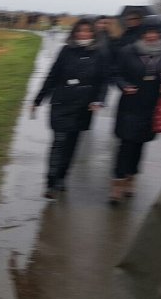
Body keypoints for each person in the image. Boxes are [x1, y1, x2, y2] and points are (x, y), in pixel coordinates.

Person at [31, 18, 109, 198]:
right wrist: (38, 99)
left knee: (71, 145)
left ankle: (62, 177)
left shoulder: (99, 54)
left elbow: (103, 81)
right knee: (59, 142)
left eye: (87, 31)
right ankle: (51, 183)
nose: (83, 34)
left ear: (93, 33)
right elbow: (52, 76)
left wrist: (99, 100)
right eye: (80, 31)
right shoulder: (66, 51)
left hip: (84, 107)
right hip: (62, 104)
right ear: (74, 33)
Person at [110, 15, 161, 204]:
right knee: (126, 144)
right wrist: (124, 85)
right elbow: (115, 73)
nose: (151, 36)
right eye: (148, 32)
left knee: (140, 144)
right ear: (142, 33)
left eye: (155, 32)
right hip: (130, 104)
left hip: (152, 105)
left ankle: (131, 177)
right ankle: (117, 182)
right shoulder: (128, 51)